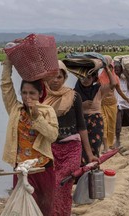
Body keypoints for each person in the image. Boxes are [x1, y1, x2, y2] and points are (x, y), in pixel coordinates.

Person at [0, 55, 59, 216]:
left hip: (43, 168)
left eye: (32, 93)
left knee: (45, 208)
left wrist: (36, 117)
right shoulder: (15, 110)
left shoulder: (48, 111)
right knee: (22, 209)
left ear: (40, 94)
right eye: (24, 93)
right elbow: (6, 88)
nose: (27, 97)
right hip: (22, 169)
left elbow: (53, 135)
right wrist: (8, 65)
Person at [43, 60, 98, 216]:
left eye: (59, 77)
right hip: (50, 149)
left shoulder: (74, 97)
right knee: (52, 187)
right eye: (52, 77)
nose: (55, 80)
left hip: (72, 149)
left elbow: (81, 126)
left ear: (65, 78)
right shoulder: (42, 98)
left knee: (61, 184)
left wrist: (89, 155)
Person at [99, 57, 129, 152]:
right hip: (102, 105)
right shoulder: (100, 78)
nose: (109, 69)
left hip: (112, 105)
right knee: (104, 125)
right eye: (107, 67)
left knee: (111, 126)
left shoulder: (115, 78)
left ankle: (110, 144)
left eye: (111, 67)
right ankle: (105, 146)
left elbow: (119, 91)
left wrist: (128, 100)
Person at [114, 61, 129, 147]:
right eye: (115, 70)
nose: (116, 71)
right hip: (118, 102)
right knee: (118, 123)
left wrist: (127, 77)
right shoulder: (114, 78)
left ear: (121, 70)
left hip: (128, 102)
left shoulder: (128, 77)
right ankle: (117, 140)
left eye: (118, 70)